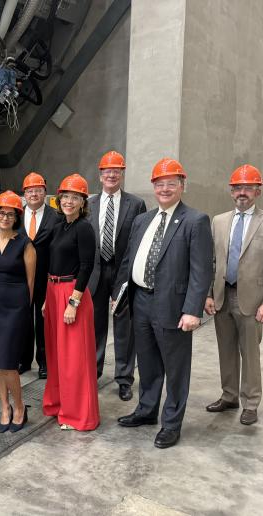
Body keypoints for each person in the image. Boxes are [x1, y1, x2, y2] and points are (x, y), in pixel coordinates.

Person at [115, 158, 213, 448]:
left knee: (176, 367)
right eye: (160, 184)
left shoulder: (195, 221)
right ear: (153, 187)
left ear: (182, 186)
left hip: (172, 305)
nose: (165, 188)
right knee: (147, 362)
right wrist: (119, 293)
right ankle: (146, 410)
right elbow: (129, 259)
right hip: (141, 300)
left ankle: (171, 423)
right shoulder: (142, 220)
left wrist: (192, 310)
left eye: (171, 183)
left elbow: (201, 270)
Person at [204, 165, 263, 426]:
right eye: (237, 187)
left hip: (251, 300)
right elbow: (212, 262)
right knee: (225, 350)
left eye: (248, 187)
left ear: (257, 191)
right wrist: (208, 294)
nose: (242, 192)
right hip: (222, 296)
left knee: (249, 353)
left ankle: (251, 403)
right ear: (231, 191)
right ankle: (229, 396)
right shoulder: (218, 221)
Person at [42, 174, 100, 431]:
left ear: (82, 201)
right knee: (56, 354)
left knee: (74, 358)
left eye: (74, 197)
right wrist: (47, 299)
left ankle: (78, 414)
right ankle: (59, 404)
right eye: (65, 196)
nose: (68, 201)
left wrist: (73, 303)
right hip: (53, 291)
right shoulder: (59, 225)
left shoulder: (84, 227)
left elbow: (87, 266)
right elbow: (50, 261)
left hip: (71, 293)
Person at [87, 151, 146, 401]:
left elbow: (136, 242)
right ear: (100, 176)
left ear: (122, 174)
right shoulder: (89, 203)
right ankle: (94, 372)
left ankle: (124, 378)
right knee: (95, 325)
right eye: (107, 171)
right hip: (95, 271)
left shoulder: (136, 204)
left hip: (123, 270)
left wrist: (125, 277)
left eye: (116, 171)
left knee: (125, 327)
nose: (111, 175)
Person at [0, 191, 36, 432]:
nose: (5, 217)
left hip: (15, 309)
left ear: (16, 218)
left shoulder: (25, 243)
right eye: (1, 213)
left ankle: (20, 407)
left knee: (8, 363)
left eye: (10, 214)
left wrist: (24, 310)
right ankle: (4, 408)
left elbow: (31, 284)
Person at [18, 172, 59, 378]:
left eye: (38, 190)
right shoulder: (16, 215)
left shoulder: (56, 216)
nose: (34, 194)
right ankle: (24, 360)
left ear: (45, 192)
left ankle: (44, 362)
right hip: (21, 280)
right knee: (23, 320)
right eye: (29, 191)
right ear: (24, 194)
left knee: (43, 322)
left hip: (45, 278)